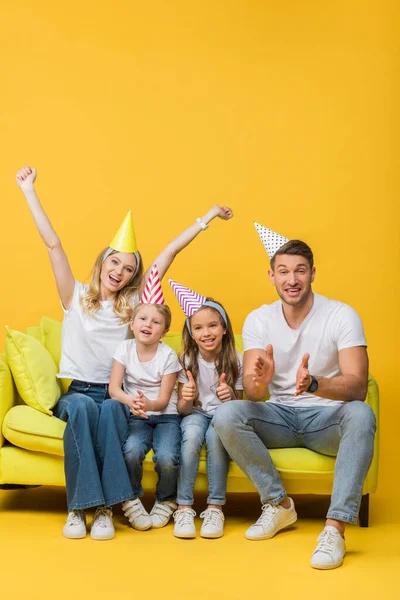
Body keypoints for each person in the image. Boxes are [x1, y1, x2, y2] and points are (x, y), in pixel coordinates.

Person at [15, 165, 233, 540]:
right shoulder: (74, 297)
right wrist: (29, 190)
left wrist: (206, 218)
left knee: (114, 412)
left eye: (128, 268)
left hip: (116, 394)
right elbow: (53, 245)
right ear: (103, 263)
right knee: (82, 409)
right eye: (114, 262)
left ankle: (104, 510)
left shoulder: (133, 308)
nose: (118, 271)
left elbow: (167, 255)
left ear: (133, 278)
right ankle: (81, 508)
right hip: (81, 392)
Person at [213, 223, 376, 569]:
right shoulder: (259, 319)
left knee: (362, 414)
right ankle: (278, 505)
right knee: (226, 415)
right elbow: (254, 394)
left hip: (326, 420)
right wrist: (262, 381)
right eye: (283, 271)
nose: (292, 279)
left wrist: (316, 384)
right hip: (280, 416)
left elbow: (358, 386)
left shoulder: (341, 315)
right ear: (271, 276)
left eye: (300, 270)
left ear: (313, 273)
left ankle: (334, 530)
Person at [106, 267, 181, 531]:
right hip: (135, 414)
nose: (147, 324)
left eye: (155, 321)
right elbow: (114, 388)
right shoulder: (124, 349)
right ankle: (133, 498)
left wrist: (147, 405)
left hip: (165, 416)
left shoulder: (168, 356)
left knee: (168, 456)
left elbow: (162, 400)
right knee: (131, 451)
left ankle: (166, 500)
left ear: (165, 330)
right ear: (132, 324)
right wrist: (131, 402)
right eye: (142, 319)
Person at [169, 280, 243, 539]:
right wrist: (187, 397)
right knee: (190, 439)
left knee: (216, 439)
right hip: (195, 414)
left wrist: (230, 396)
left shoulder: (236, 360)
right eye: (198, 328)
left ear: (224, 328)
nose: (206, 333)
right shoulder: (185, 360)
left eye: (213, 325)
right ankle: (185, 507)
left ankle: (215, 507)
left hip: (222, 417)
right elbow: (182, 410)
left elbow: (240, 406)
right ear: (191, 333)